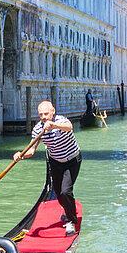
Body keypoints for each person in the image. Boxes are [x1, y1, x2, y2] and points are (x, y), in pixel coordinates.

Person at [13, 100, 81, 235]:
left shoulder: (61, 120)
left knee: (65, 191)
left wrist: (54, 125)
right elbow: (31, 150)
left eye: (46, 114)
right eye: (40, 115)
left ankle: (71, 221)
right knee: (59, 194)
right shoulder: (38, 129)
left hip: (72, 159)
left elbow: (70, 127)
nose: (43, 117)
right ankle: (68, 211)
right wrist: (21, 155)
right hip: (55, 161)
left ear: (53, 111)